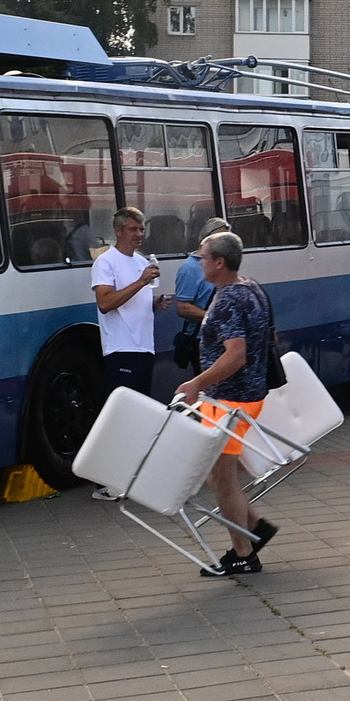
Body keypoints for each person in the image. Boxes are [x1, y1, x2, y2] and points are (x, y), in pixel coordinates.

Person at [179, 230, 279, 577]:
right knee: (215, 473)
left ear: (219, 262)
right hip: (246, 396)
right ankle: (255, 527)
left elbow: (236, 355)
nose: (199, 261)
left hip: (229, 401)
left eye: (203, 257)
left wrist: (196, 383)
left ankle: (243, 554)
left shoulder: (225, 301)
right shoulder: (251, 289)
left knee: (222, 478)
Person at [89, 208, 163, 499]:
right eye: (133, 229)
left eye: (142, 229)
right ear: (118, 230)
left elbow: (134, 303)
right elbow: (105, 303)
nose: (139, 234)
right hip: (121, 348)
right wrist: (141, 282)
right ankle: (106, 480)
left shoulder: (142, 262)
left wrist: (155, 303)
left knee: (137, 416)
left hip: (144, 347)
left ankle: (129, 476)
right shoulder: (106, 262)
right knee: (116, 416)